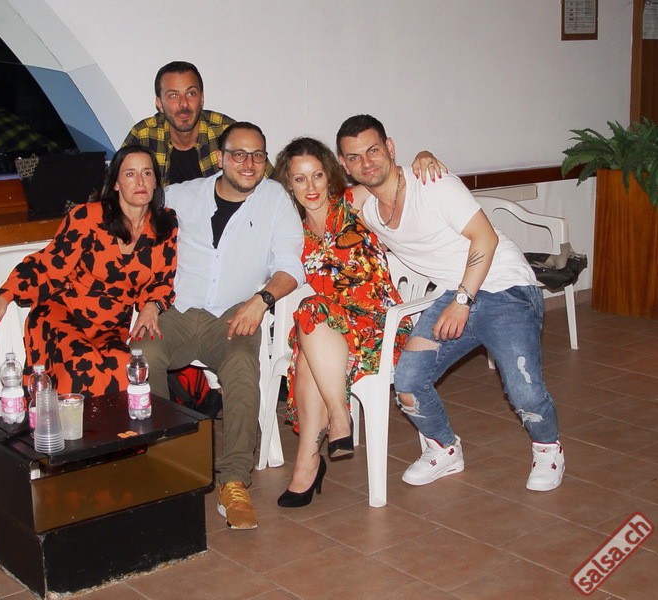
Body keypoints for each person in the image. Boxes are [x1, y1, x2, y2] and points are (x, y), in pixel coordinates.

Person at [337, 114, 564, 492]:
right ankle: (444, 449)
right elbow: (321, 211)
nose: (366, 162)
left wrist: (462, 300)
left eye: (373, 150)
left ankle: (548, 448)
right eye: (354, 157)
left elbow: (485, 238)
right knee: (408, 381)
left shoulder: (432, 182)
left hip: (504, 286)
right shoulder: (364, 204)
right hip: (451, 292)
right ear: (345, 165)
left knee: (522, 388)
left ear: (390, 147)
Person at [131, 122, 304, 530]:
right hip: (175, 310)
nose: (249, 163)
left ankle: (234, 482)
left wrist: (261, 301)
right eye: (239, 154)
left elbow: (290, 267)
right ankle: (163, 466)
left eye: (257, 155)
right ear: (222, 158)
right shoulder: (181, 196)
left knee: (242, 365)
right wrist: (149, 300)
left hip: (233, 313)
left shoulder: (274, 200)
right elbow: (139, 237)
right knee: (142, 355)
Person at [272, 137, 412, 508]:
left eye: (317, 175)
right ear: (288, 185)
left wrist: (425, 159)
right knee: (312, 318)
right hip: (332, 330)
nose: (311, 186)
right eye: (300, 179)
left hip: (381, 326)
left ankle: (316, 451)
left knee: (309, 336)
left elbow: (399, 181)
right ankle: (332, 425)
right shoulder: (293, 236)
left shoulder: (354, 202)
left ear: (330, 174)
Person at [0, 145, 178, 396]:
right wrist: (6, 293)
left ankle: (109, 424)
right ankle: (61, 421)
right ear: (116, 183)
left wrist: (152, 304)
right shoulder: (88, 217)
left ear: (155, 182)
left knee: (123, 364)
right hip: (62, 313)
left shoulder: (165, 223)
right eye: (130, 174)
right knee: (81, 361)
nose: (140, 181)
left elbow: (164, 278)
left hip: (110, 325)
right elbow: (48, 264)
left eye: (147, 173)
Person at [123, 61, 245, 186]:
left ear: (201, 98)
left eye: (191, 94)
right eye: (173, 96)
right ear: (159, 104)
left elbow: (257, 184)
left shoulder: (228, 132)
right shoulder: (143, 135)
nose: (184, 103)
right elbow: (117, 189)